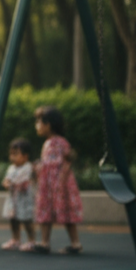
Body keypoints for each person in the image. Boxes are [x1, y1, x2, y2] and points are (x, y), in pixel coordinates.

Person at [32, 106, 83, 255]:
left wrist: (61, 179)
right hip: (48, 183)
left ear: (48, 124)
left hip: (59, 183)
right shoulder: (48, 143)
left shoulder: (59, 142)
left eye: (38, 122)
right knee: (45, 210)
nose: (36, 125)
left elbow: (67, 160)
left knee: (64, 212)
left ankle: (74, 243)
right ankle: (45, 242)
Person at [1, 138, 36, 251]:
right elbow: (7, 179)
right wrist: (6, 183)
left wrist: (11, 183)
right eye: (11, 154)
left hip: (24, 199)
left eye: (16, 154)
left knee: (27, 221)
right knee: (13, 220)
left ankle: (31, 241)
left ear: (25, 156)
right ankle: (16, 239)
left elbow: (22, 181)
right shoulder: (11, 168)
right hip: (13, 199)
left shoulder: (28, 167)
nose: (12, 157)